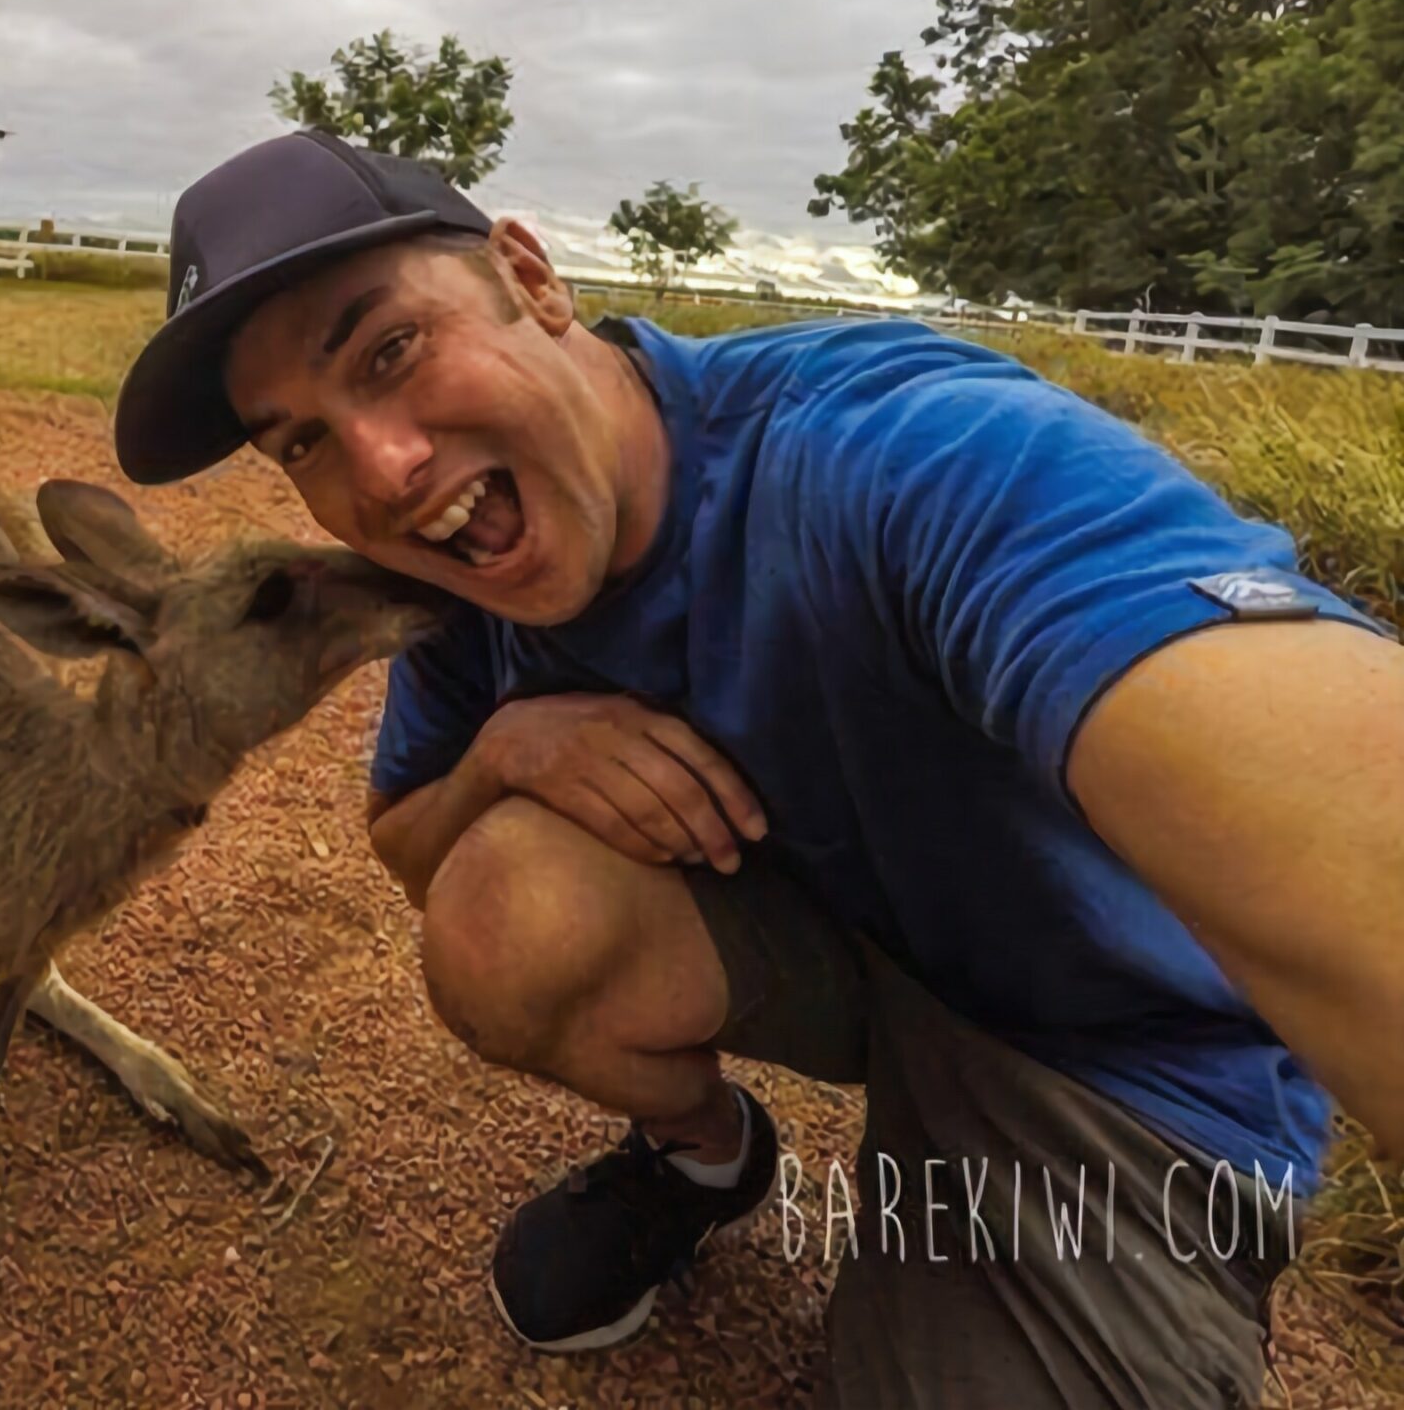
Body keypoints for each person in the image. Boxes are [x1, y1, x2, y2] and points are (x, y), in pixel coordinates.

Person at [110, 130, 1404, 1408]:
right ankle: (707, 1162)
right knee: (502, 911)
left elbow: (1344, 822)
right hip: (833, 937)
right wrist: (511, 752)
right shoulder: (468, 575)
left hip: (1105, 1058)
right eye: (304, 444)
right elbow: (404, 836)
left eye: (391, 349)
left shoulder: (893, 458)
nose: (383, 472)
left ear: (531, 277)